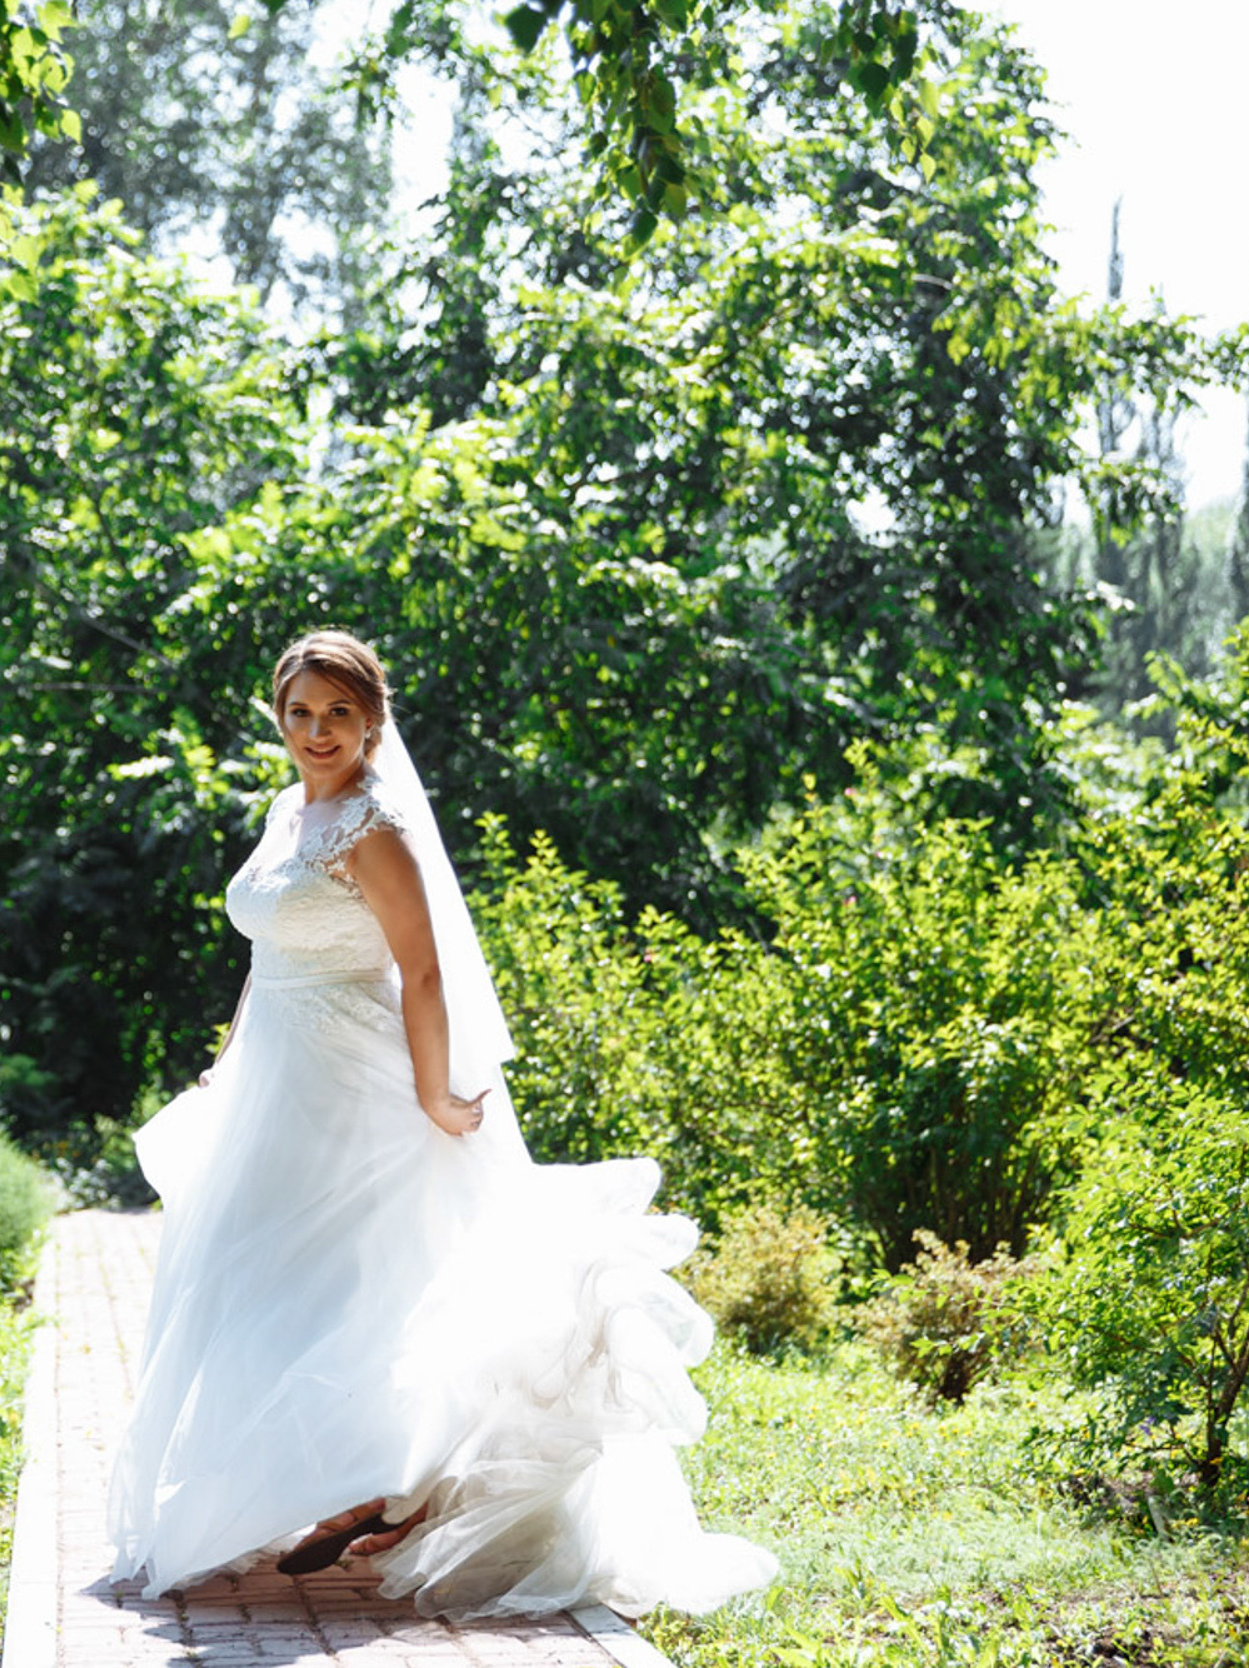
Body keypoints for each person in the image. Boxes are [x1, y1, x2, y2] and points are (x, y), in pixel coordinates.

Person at [107, 629, 777, 1619]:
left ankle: (391, 1475)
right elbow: (267, 955)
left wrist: (430, 1095)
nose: (318, 731)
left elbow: (420, 969)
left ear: (372, 720)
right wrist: (225, 1062)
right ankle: (337, 1479)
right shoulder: (289, 811)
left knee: (372, 1279)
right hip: (274, 1079)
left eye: (339, 713)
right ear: (277, 718)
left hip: (355, 1079)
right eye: (300, 713)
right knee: (272, 1275)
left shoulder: (373, 826)